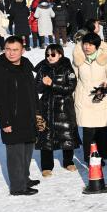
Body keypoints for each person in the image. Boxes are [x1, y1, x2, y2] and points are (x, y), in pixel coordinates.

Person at [0, 36, 39, 196]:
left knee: (27, 151)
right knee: (15, 154)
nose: (11, 53)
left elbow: (31, 91)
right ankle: (18, 187)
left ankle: (24, 178)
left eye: (15, 50)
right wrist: (5, 121)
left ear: (22, 50)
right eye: (8, 49)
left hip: (28, 116)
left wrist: (37, 113)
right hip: (12, 119)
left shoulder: (26, 66)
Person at [34, 44, 80, 175]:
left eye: (53, 54)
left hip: (64, 106)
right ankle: (46, 166)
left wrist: (52, 84)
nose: (49, 57)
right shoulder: (42, 68)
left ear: (60, 54)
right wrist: (42, 83)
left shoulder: (67, 69)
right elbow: (36, 89)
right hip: (46, 107)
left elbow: (70, 88)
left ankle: (68, 161)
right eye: (47, 55)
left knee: (67, 135)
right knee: (46, 136)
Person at [73, 32, 107, 161]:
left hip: (100, 96)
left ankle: (103, 151)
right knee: (88, 130)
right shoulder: (78, 58)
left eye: (91, 44)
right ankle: (90, 157)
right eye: (85, 44)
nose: (87, 47)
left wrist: (105, 85)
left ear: (97, 46)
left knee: (101, 127)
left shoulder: (105, 58)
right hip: (84, 97)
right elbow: (74, 78)